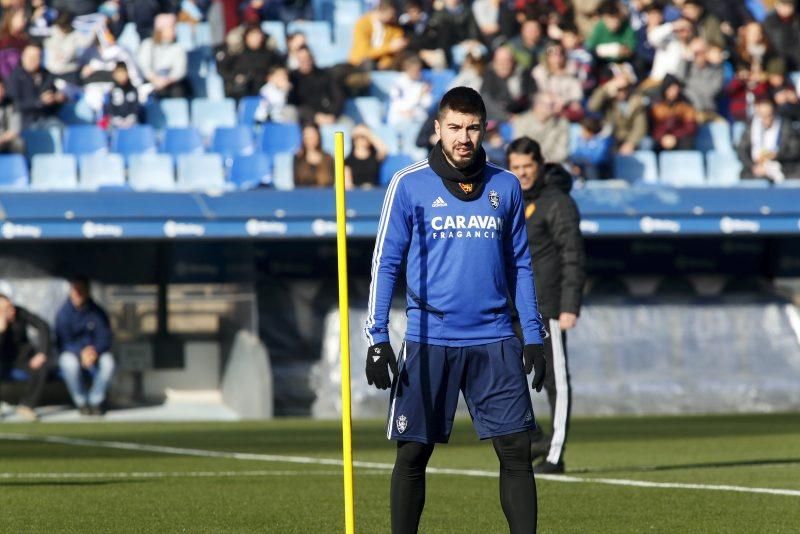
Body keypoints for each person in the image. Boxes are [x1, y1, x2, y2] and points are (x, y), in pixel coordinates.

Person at [364, 86, 547, 533]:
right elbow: (385, 264)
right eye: (454, 127)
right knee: (412, 452)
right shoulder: (408, 184)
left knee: (516, 450)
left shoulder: (505, 185)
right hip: (431, 339)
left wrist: (535, 335)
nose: (463, 137)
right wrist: (378, 337)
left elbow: (521, 264)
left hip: (496, 338)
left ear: (484, 129)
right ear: (437, 128)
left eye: (472, 127)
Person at [506, 140, 585, 473]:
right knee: (506, 375)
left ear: (539, 164)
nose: (522, 173)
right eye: (516, 167)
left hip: (548, 307)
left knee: (555, 380)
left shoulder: (558, 202)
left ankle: (555, 454)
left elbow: (572, 255)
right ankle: (535, 436)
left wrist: (569, 305)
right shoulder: (509, 200)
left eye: (527, 166)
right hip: (510, 307)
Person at [56, 276, 115, 416]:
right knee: (68, 363)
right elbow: (62, 341)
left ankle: (96, 401)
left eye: (81, 290)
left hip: (95, 353)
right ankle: (81, 402)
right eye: (76, 290)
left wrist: (94, 350)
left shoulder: (97, 313)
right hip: (73, 353)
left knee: (109, 363)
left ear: (88, 291)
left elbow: (105, 337)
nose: (78, 294)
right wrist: (80, 352)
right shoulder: (63, 314)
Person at [0, 290, 52, 421]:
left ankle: (27, 405)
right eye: (4, 309)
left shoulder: (20, 313)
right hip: (3, 361)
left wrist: (42, 353)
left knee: (42, 366)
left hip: (22, 359)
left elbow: (43, 326)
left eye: (9, 306)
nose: (9, 310)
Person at [587, 64, 648, 155]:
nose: (621, 92)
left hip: (628, 137)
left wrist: (630, 143)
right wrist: (606, 88)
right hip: (611, 137)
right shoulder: (608, 99)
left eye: (624, 88)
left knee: (646, 143)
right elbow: (592, 107)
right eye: (619, 89)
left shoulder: (637, 102)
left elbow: (640, 127)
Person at [737, 97, 800, 182]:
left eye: (769, 116)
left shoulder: (786, 126)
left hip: (784, 166)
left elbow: (795, 149)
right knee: (747, 177)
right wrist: (753, 166)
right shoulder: (750, 128)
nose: (766, 120)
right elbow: (742, 151)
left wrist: (777, 155)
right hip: (756, 168)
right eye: (762, 116)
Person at [7, 43, 66, 129]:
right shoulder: (14, 77)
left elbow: (54, 103)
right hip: (23, 121)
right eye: (29, 56)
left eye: (36, 57)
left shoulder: (47, 75)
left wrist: (57, 99)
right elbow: (14, 105)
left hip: (46, 118)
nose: (32, 60)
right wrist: (39, 102)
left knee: (58, 127)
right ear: (23, 56)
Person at [136, 13, 188, 98]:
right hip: (152, 81)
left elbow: (180, 70)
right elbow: (144, 67)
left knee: (178, 90)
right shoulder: (148, 44)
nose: (174, 31)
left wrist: (167, 80)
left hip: (170, 83)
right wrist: (154, 79)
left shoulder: (178, 48)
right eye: (171, 28)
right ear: (160, 30)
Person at [349, 0, 407, 70]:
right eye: (390, 15)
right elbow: (363, 53)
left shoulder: (394, 27)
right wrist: (390, 47)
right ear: (380, 11)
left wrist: (385, 62)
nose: (393, 18)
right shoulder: (363, 24)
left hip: (384, 64)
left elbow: (396, 49)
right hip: (362, 63)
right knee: (368, 64)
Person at [512, 92, 570, 162]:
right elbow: (520, 148)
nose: (554, 107)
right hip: (529, 164)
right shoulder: (521, 122)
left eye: (553, 104)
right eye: (550, 105)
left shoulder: (561, 123)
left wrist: (546, 162)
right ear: (537, 105)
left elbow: (562, 151)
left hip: (553, 164)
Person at [650, 74, 697, 151]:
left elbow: (690, 127)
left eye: (676, 88)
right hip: (661, 139)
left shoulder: (685, 104)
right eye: (672, 88)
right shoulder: (656, 105)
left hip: (678, 138)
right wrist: (663, 137)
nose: (675, 91)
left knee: (687, 142)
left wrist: (674, 136)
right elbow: (651, 127)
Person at [387, 54, 433, 126]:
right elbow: (396, 103)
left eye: (419, 70)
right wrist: (419, 96)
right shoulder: (398, 82)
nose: (418, 73)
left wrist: (424, 95)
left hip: (417, 116)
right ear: (407, 69)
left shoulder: (423, 83)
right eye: (415, 70)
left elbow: (427, 104)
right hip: (399, 115)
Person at [345, 123, 388, 189]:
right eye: (358, 137)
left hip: (374, 193)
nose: (361, 140)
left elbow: (383, 150)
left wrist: (367, 132)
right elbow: (348, 185)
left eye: (364, 137)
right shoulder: (348, 161)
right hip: (356, 194)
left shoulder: (375, 157)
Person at [293, 123, 334, 188]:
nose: (310, 139)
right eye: (307, 136)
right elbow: (297, 181)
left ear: (318, 137)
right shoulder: (298, 158)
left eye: (312, 136)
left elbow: (331, 180)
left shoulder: (328, 158)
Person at [763, 0, 800, 72]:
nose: (787, 8)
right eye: (784, 5)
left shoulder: (796, 18)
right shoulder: (770, 22)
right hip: (782, 63)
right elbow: (779, 44)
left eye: (789, 5)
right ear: (777, 5)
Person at [104, 61, 140, 128]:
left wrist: (130, 119)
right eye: (118, 73)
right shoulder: (111, 90)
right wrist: (117, 119)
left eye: (123, 72)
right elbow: (110, 109)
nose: (121, 75)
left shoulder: (132, 89)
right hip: (116, 122)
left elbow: (135, 107)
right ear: (114, 75)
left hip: (131, 122)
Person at [0, 78, 22, 153]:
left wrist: (2, 139)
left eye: (2, 88)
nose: (1, 92)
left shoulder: (12, 104)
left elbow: (14, 130)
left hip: (5, 139)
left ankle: (17, 164)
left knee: (18, 144)